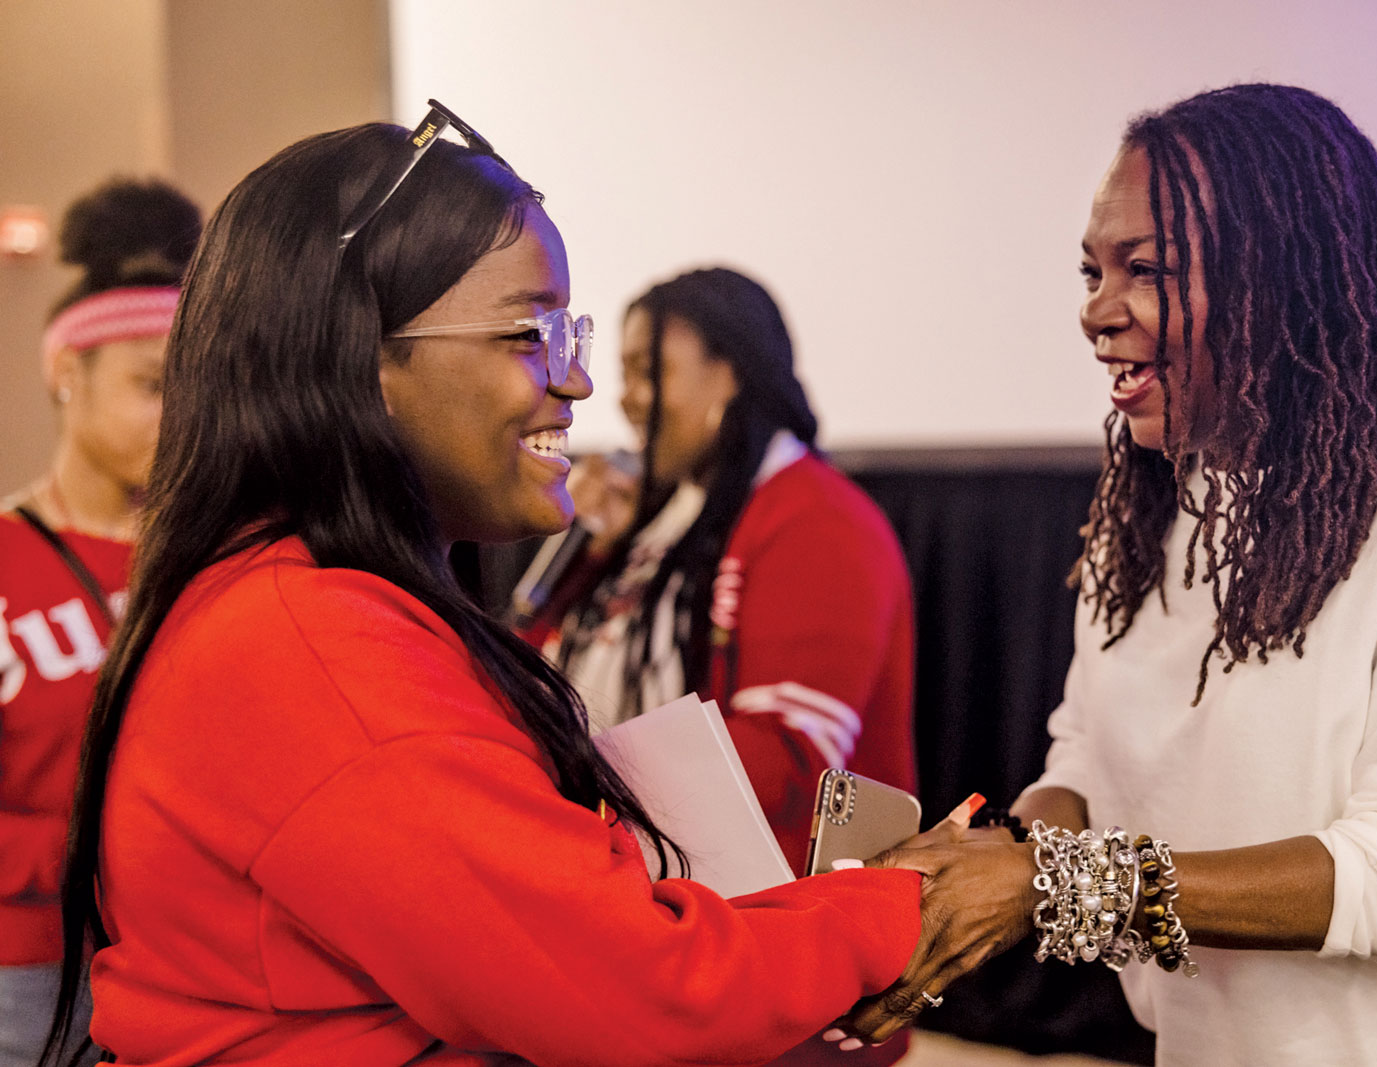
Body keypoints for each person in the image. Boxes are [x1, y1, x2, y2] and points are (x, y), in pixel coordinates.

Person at [37, 102, 992, 1067]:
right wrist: (919, 902)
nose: (576, 385)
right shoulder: (310, 639)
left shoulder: (298, 595)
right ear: (361, 362)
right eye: (530, 333)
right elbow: (643, 993)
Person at [836, 83, 1377, 1066]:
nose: (1094, 312)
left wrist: (1052, 882)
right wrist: (986, 860)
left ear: (1284, 275)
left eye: (1144, 270)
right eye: (1090, 270)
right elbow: (1088, 765)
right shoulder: (1158, 496)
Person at [512, 266, 918, 1067]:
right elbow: (532, 678)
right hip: (660, 925)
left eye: (646, 371)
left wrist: (580, 808)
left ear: (725, 373)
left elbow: (784, 758)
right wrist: (588, 552)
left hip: (781, 965)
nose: (621, 397)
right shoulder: (667, 520)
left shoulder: (816, 519)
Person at [0, 178, 198, 1067]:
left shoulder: (219, 557)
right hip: (27, 979)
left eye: (193, 387)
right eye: (152, 384)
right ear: (65, 373)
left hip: (184, 968)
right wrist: (108, 845)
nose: (178, 417)